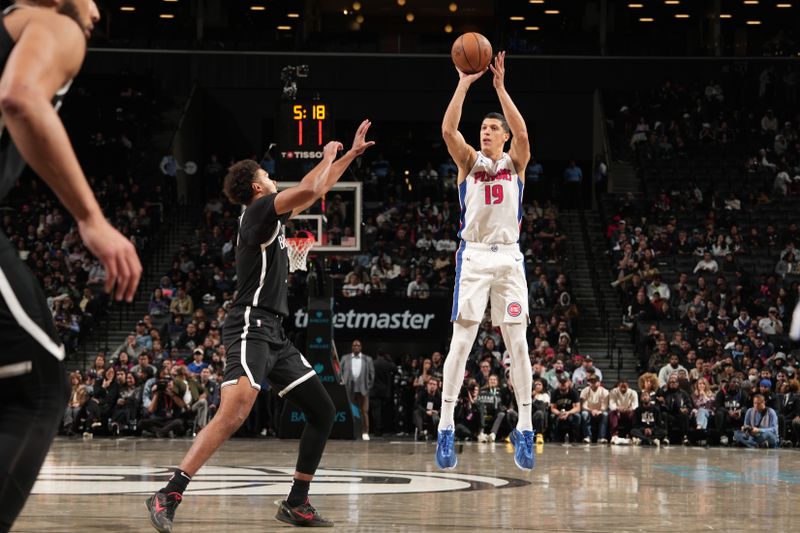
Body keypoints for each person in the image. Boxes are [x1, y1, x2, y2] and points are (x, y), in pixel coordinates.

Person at [146, 121, 374, 531]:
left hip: (274, 333)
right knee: (234, 414)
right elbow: (309, 188)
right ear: (255, 187)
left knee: (322, 411)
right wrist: (325, 157)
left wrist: (348, 157)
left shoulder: (267, 216)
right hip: (250, 324)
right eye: (267, 176)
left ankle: (296, 503)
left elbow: (312, 187)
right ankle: (169, 492)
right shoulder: (257, 210)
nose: (272, 180)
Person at [435, 52, 534, 471]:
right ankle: (445, 428)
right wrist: (463, 82)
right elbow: (447, 128)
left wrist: (499, 88)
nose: (487, 131)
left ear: (505, 137)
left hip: (509, 258)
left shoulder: (516, 162)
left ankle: (525, 428)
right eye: (484, 127)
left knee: (519, 345)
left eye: (494, 128)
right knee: (462, 342)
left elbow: (525, 132)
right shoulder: (468, 162)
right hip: (474, 257)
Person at [340, 339, 375, 441]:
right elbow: (340, 372)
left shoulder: (367, 359)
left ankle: (365, 432)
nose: (356, 347)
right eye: (354, 345)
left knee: (364, 411)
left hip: (363, 389)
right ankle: (350, 431)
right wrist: (341, 383)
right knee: (349, 411)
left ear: (361, 347)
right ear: (352, 347)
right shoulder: (345, 358)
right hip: (348, 389)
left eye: (358, 345)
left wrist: (368, 387)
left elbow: (372, 375)